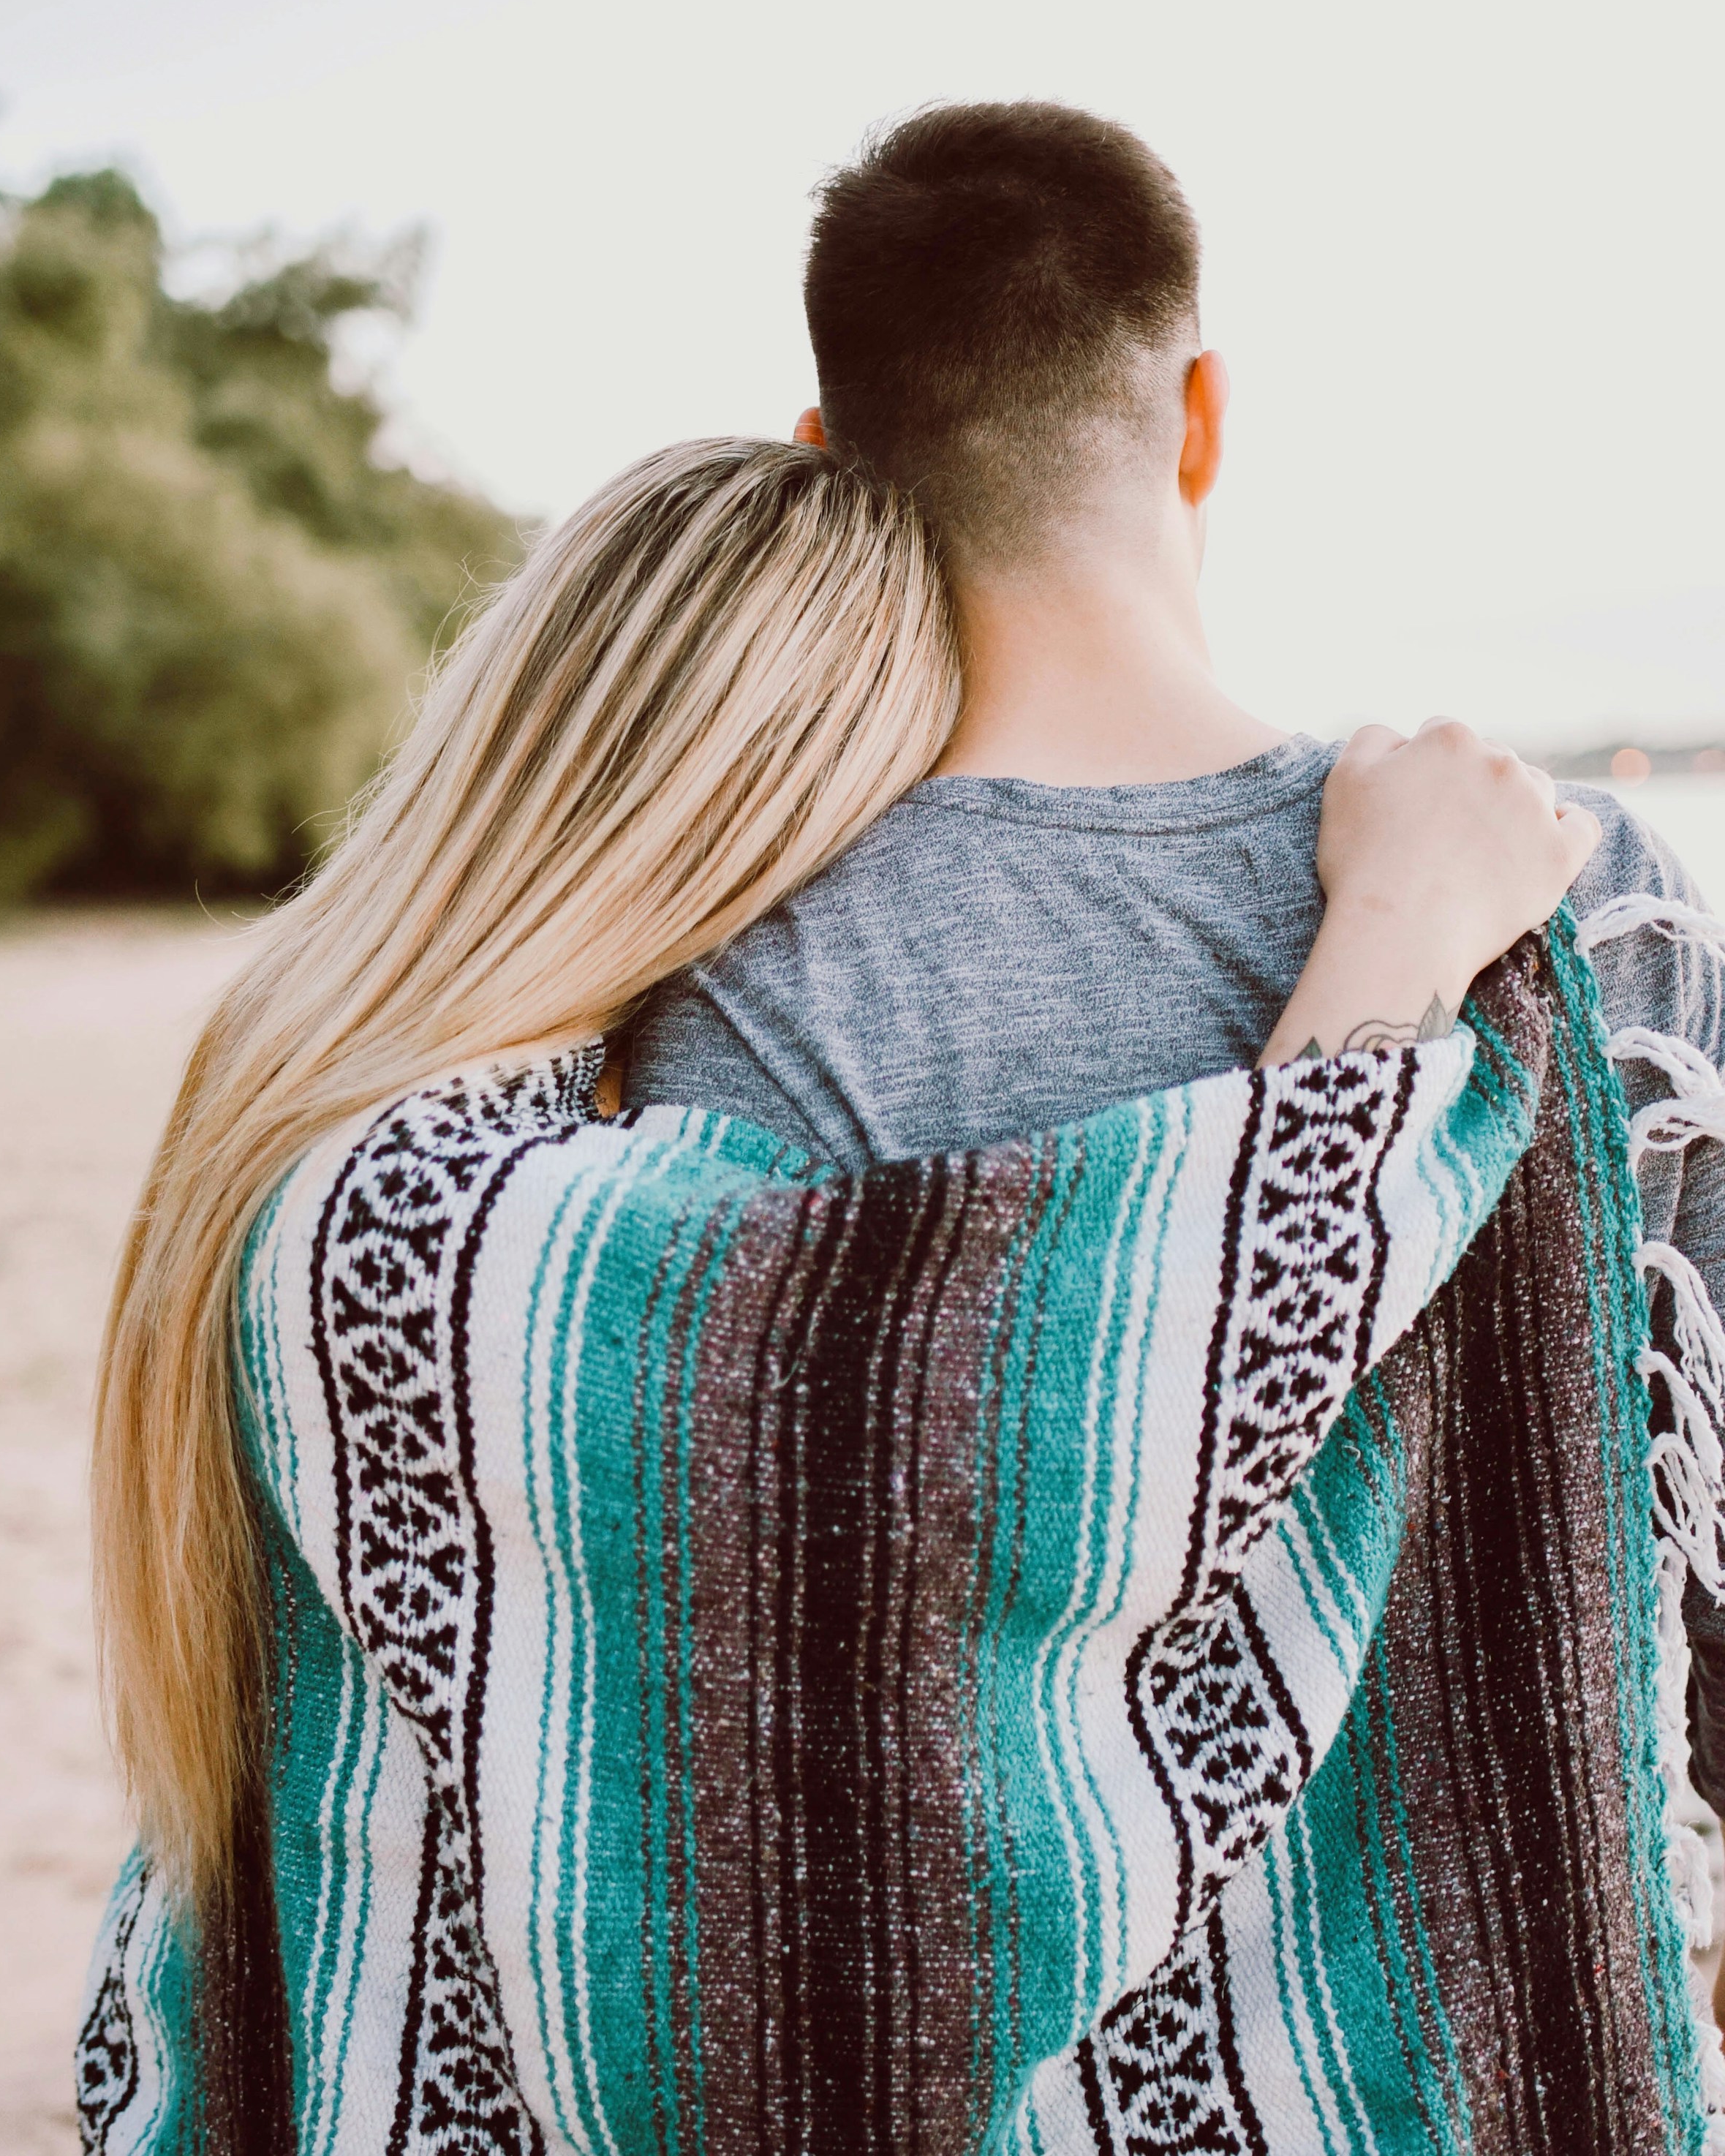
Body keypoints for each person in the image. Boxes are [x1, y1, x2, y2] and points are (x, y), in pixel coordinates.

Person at [78, 431, 1609, 2155]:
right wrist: (1401, 933)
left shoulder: (312, 1110)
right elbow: (1048, 1410)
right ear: (763, 793)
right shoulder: (432, 1221)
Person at [619, 97, 1725, 1790]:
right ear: (1204, 419)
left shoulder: (750, 984)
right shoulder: (1581, 881)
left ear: (828, 450)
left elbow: (786, 1650)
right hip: (1528, 1997)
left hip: (1040, 2032)